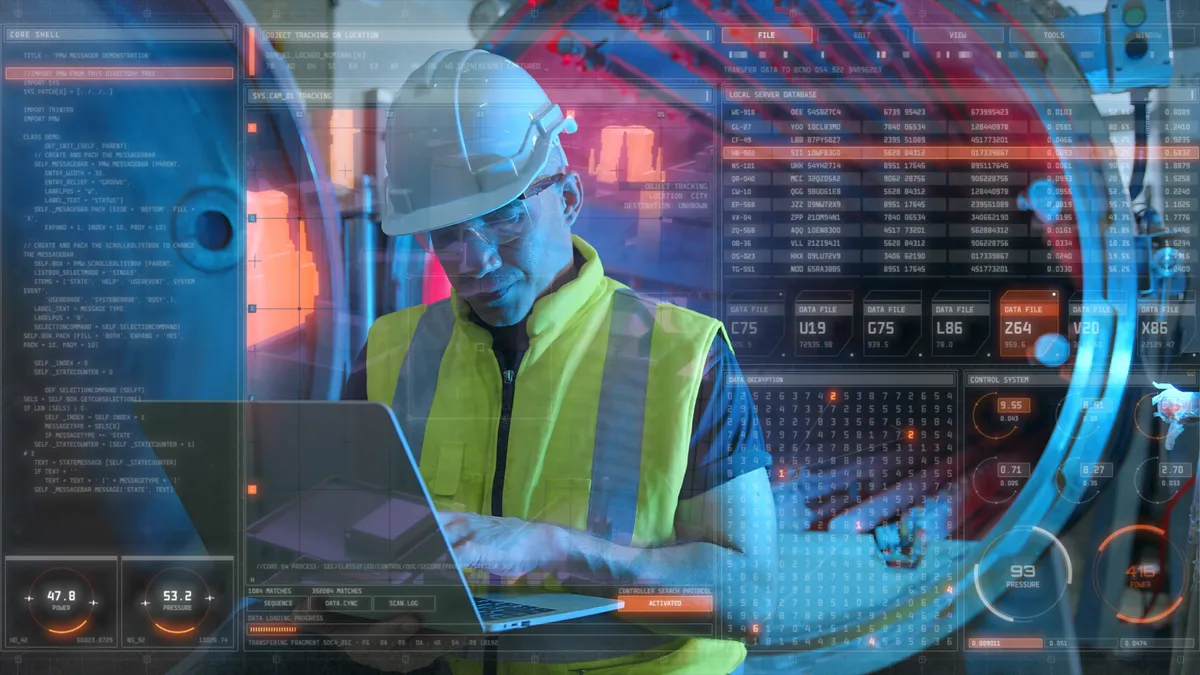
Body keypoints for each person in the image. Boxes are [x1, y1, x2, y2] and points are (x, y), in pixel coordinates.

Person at [339, 49, 777, 674]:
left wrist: (554, 548)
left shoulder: (684, 354)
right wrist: (360, 631)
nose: (474, 260)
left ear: (568, 196)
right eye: (446, 233)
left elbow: (749, 600)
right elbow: (332, 552)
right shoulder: (390, 351)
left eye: (504, 218)